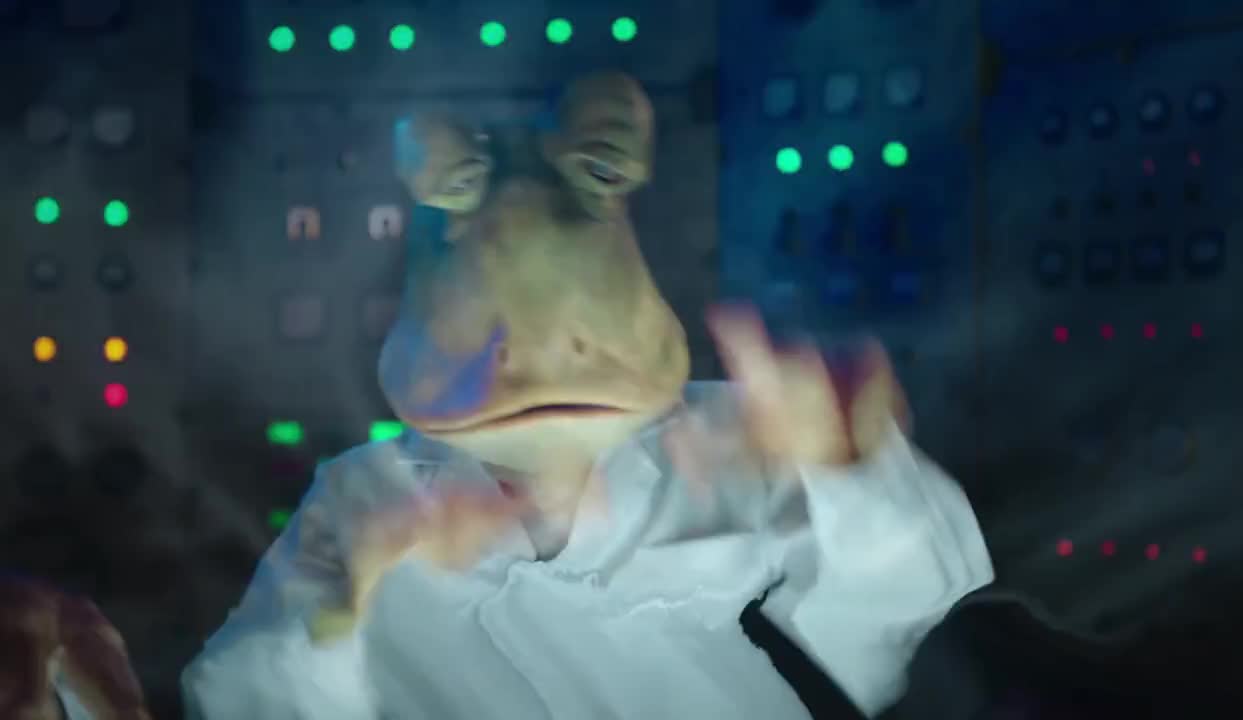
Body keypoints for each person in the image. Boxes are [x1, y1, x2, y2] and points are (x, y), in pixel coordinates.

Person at [179, 72, 994, 719]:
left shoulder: (727, 435)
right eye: (493, 340)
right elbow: (248, 701)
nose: (538, 371)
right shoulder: (365, 496)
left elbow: (900, 622)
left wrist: (854, 468)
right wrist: (338, 611)